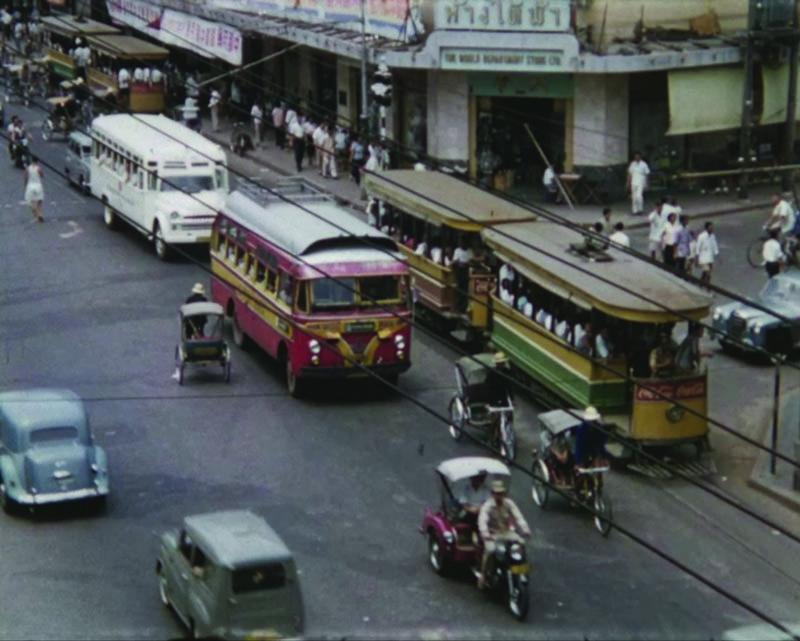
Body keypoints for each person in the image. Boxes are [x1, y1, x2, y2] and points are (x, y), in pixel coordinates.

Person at [477, 480, 531, 588]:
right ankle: (483, 574)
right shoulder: (488, 506)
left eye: (501, 493)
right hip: (493, 534)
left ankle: (522, 571)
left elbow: (518, 516)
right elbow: (482, 520)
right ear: (492, 494)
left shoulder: (509, 503)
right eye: (496, 493)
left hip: (507, 532)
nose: (499, 495)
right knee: (491, 550)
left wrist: (525, 529)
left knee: (521, 544)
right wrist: (485, 532)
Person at [626, 151, 650, 216]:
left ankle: (640, 209)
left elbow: (647, 174)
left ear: (640, 157)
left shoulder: (644, 164)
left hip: (641, 181)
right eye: (635, 157)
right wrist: (628, 182)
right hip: (634, 182)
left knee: (639, 196)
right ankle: (635, 210)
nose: (637, 158)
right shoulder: (632, 164)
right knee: (634, 197)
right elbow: (629, 174)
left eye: (638, 157)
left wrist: (647, 183)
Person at [24, 156, 44, 223]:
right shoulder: (39, 168)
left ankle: (37, 215)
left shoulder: (28, 168)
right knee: (39, 202)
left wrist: (25, 184)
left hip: (30, 186)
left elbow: (26, 177)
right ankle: (40, 214)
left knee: (31, 202)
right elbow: (42, 175)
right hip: (38, 186)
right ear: (37, 161)